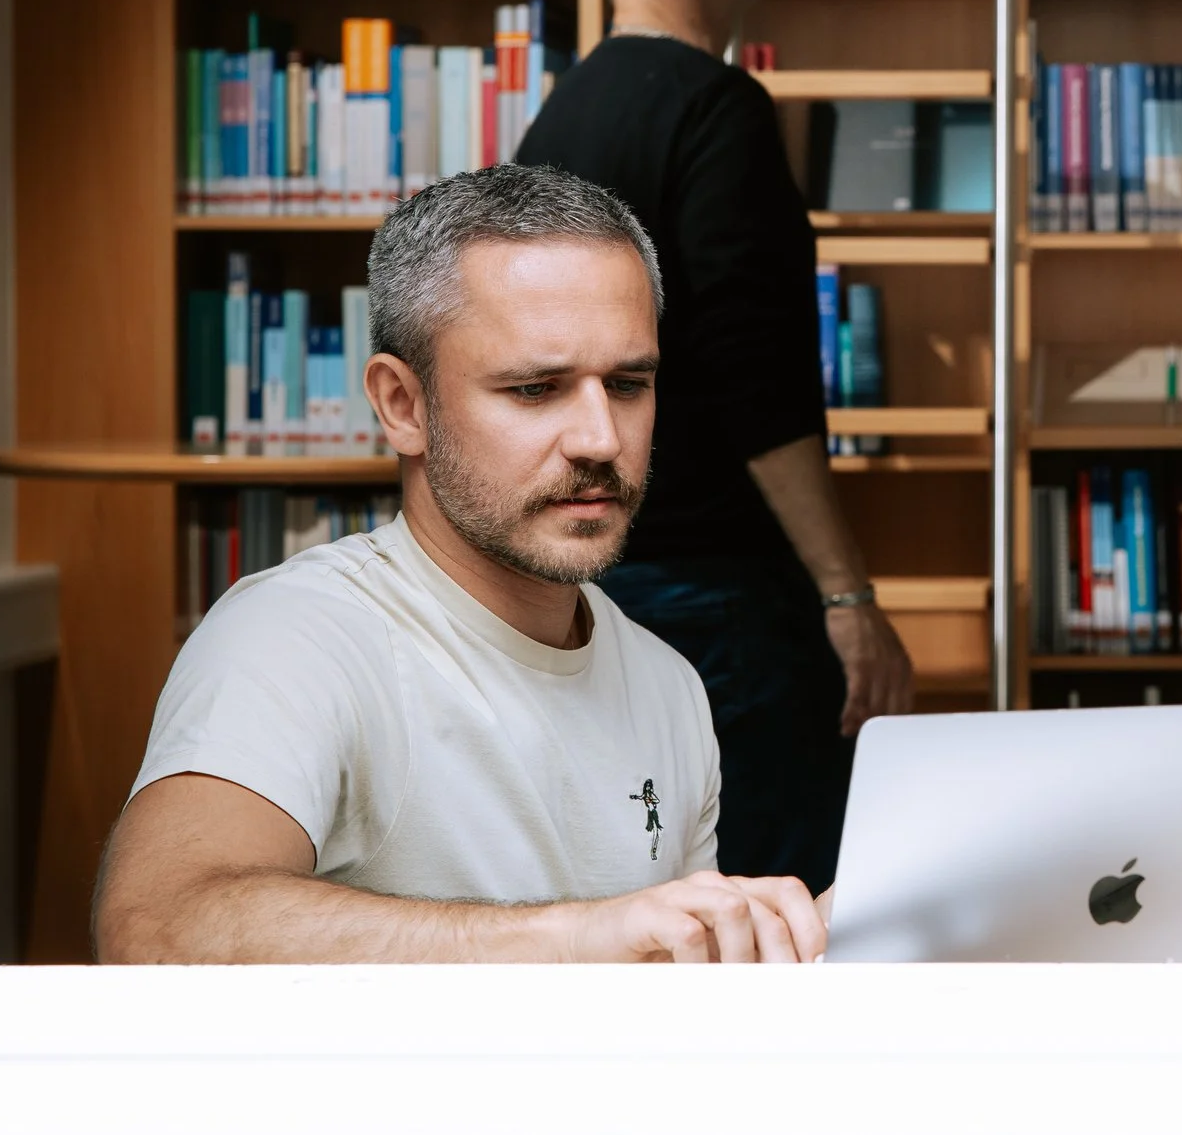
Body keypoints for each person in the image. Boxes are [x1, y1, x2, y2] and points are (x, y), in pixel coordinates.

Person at [96, 166, 825, 963]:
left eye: (627, 383)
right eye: (536, 388)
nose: (601, 437)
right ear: (402, 405)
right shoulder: (297, 638)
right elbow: (154, 928)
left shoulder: (668, 684)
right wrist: (577, 937)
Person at [517, 0, 912, 894]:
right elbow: (757, 379)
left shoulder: (559, 117)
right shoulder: (716, 108)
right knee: (776, 911)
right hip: (723, 604)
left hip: (593, 583)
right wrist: (847, 597)